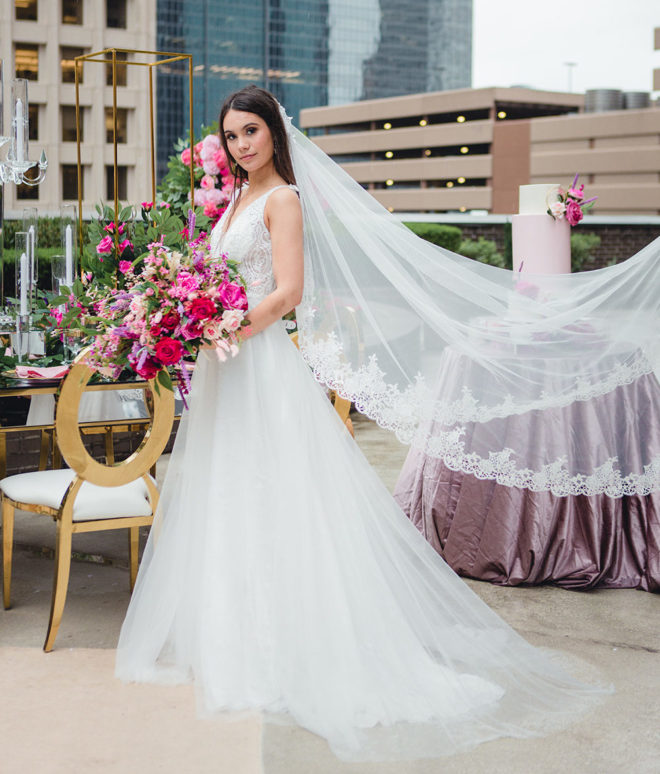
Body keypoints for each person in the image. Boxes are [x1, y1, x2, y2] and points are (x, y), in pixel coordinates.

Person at [116, 86, 612, 762]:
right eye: (232, 136)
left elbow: (287, 290)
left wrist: (224, 322)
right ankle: (230, 633)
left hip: (259, 364)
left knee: (280, 495)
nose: (242, 145)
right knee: (228, 492)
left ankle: (294, 641)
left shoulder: (283, 199)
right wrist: (190, 312)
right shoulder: (231, 200)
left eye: (252, 132)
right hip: (226, 368)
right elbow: (212, 273)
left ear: (274, 135)